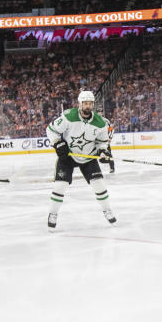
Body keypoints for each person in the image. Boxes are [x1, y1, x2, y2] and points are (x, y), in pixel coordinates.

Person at [46, 90, 117, 230]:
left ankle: (107, 210)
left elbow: (102, 141)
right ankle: (53, 214)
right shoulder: (68, 116)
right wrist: (57, 143)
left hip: (88, 157)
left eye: (90, 103)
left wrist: (103, 151)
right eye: (85, 103)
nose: (88, 106)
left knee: (100, 185)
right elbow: (51, 129)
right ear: (80, 104)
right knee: (60, 186)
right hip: (68, 156)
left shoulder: (100, 123)